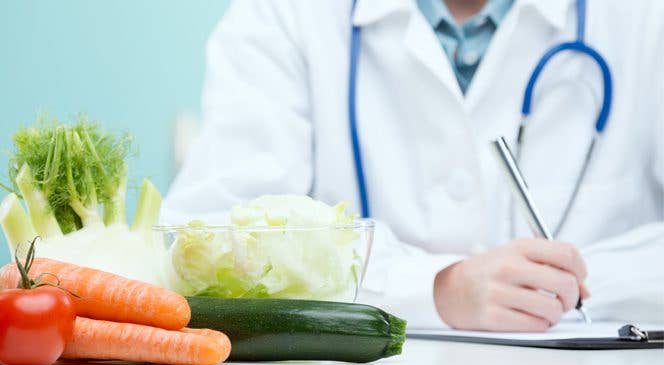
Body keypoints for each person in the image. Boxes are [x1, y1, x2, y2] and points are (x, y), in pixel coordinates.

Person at [162, 0, 664, 331]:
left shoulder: (643, 18)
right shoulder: (284, 15)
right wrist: (435, 288)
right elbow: (207, 235)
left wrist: (555, 286)